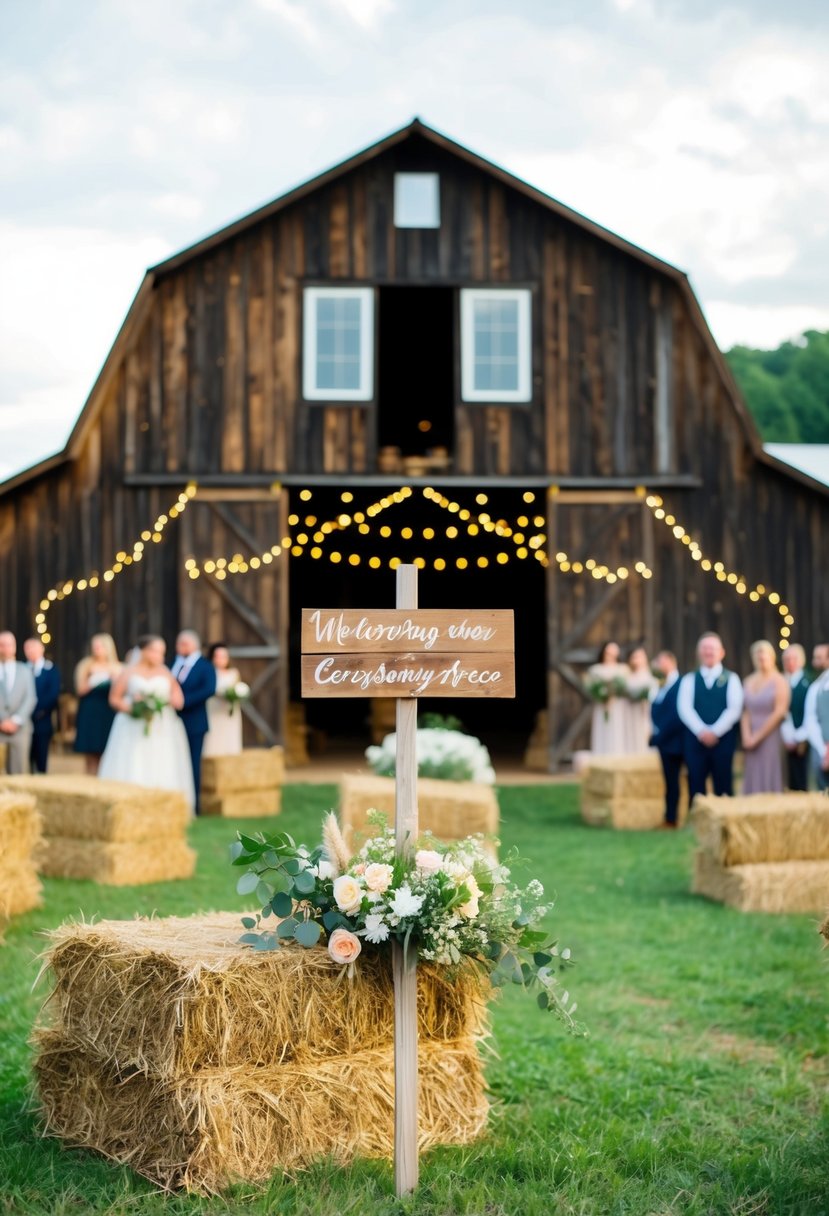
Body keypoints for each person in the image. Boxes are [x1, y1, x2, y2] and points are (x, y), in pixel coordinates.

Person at [99, 634, 195, 807]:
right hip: (133, 725)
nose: (160, 657)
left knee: (160, 761)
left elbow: (178, 700)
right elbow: (114, 699)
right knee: (134, 760)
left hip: (161, 726)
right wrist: (134, 708)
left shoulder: (165, 672)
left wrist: (164, 702)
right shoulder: (128, 672)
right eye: (157, 652)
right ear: (144, 651)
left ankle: (160, 804)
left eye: (162, 653)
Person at [678, 632, 743, 800]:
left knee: (723, 784)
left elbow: (734, 709)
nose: (708, 652)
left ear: (721, 652)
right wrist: (701, 731)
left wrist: (715, 731)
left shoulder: (732, 678)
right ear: (699, 652)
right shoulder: (689, 679)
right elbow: (684, 708)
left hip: (723, 740)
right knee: (695, 784)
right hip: (695, 740)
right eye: (705, 648)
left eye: (712, 648)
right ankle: (696, 823)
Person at [171, 630, 217, 813]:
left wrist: (183, 701)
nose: (180, 647)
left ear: (194, 645)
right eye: (178, 643)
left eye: (184, 643)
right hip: (171, 722)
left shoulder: (205, 666)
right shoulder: (173, 664)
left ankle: (194, 804)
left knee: (192, 762)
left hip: (195, 722)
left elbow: (209, 689)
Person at [740, 640, 789, 795]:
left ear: (772, 657)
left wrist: (757, 737)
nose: (761, 658)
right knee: (753, 772)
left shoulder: (780, 680)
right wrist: (747, 736)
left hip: (770, 734)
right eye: (758, 655)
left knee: (769, 770)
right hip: (751, 734)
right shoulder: (748, 681)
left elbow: (779, 712)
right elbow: (746, 711)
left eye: (764, 655)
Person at [73, 633, 121, 775]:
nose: (96, 649)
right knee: (91, 750)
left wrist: (113, 678)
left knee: (107, 749)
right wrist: (94, 680)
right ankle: (91, 779)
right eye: (94, 646)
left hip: (108, 711)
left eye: (99, 646)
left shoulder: (117, 667)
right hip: (90, 711)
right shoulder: (86, 665)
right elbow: (80, 690)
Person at [650, 650, 684, 829]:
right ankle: (670, 818)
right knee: (670, 782)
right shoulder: (659, 686)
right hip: (664, 743)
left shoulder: (682, 683)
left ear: (671, 662)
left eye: (660, 662)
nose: (657, 666)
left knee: (687, 780)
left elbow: (677, 715)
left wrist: (659, 735)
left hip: (679, 741)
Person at [0, 631, 37, 774]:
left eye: (8, 645)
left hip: (20, 730)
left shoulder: (25, 670)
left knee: (19, 772)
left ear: (15, 647)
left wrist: (16, 720)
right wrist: (2, 720)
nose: (5, 648)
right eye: (1, 645)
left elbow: (30, 698)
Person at [23, 637, 61, 773]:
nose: (31, 651)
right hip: (22, 721)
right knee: (23, 760)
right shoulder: (21, 669)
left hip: (42, 720)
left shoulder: (51, 670)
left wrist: (37, 712)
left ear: (42, 649)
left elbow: (53, 695)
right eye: (28, 648)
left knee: (41, 759)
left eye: (34, 647)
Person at [585, 641, 629, 754]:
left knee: (617, 728)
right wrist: (601, 695)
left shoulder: (622, 669)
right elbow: (591, 687)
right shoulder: (596, 670)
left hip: (617, 705)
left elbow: (626, 687)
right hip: (602, 704)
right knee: (602, 727)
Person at [779, 644, 812, 791]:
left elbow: (811, 713)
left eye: (794, 658)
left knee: (801, 776)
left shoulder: (809, 683)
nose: (790, 662)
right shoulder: (781, 682)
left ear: (801, 660)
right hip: (784, 737)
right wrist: (787, 736)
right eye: (787, 659)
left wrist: (799, 736)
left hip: (803, 737)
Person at [203, 642, 244, 758]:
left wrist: (235, 694)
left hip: (229, 710)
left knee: (230, 736)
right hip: (213, 709)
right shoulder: (209, 672)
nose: (221, 659)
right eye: (218, 656)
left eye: (224, 656)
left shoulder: (233, 673)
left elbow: (238, 687)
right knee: (214, 736)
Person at [802, 642, 829, 792]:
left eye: (819, 657)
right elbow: (810, 720)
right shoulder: (815, 687)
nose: (814, 661)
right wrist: (824, 751)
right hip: (820, 750)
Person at [623, 644, 658, 753]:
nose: (638, 659)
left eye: (640, 656)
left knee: (642, 736)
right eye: (635, 657)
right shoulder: (626, 677)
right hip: (629, 712)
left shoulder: (650, 678)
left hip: (643, 712)